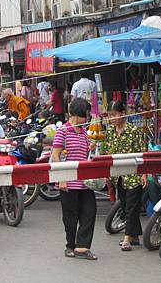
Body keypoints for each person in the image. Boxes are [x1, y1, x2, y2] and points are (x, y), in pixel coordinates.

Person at [52, 98, 97, 260]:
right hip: (68, 182)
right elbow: (56, 155)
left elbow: (87, 155)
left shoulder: (84, 132)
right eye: (85, 115)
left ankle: (82, 247)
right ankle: (70, 246)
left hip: (84, 182)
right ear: (77, 115)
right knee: (70, 217)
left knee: (89, 213)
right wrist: (62, 178)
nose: (87, 118)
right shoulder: (62, 131)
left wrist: (91, 147)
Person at [102, 100, 147, 251]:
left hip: (133, 174)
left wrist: (144, 174)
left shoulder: (134, 131)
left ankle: (127, 237)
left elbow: (142, 153)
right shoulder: (110, 132)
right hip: (118, 176)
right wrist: (106, 173)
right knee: (126, 204)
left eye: (114, 115)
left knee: (132, 206)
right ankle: (134, 235)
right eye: (110, 116)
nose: (112, 118)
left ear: (123, 114)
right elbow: (106, 153)